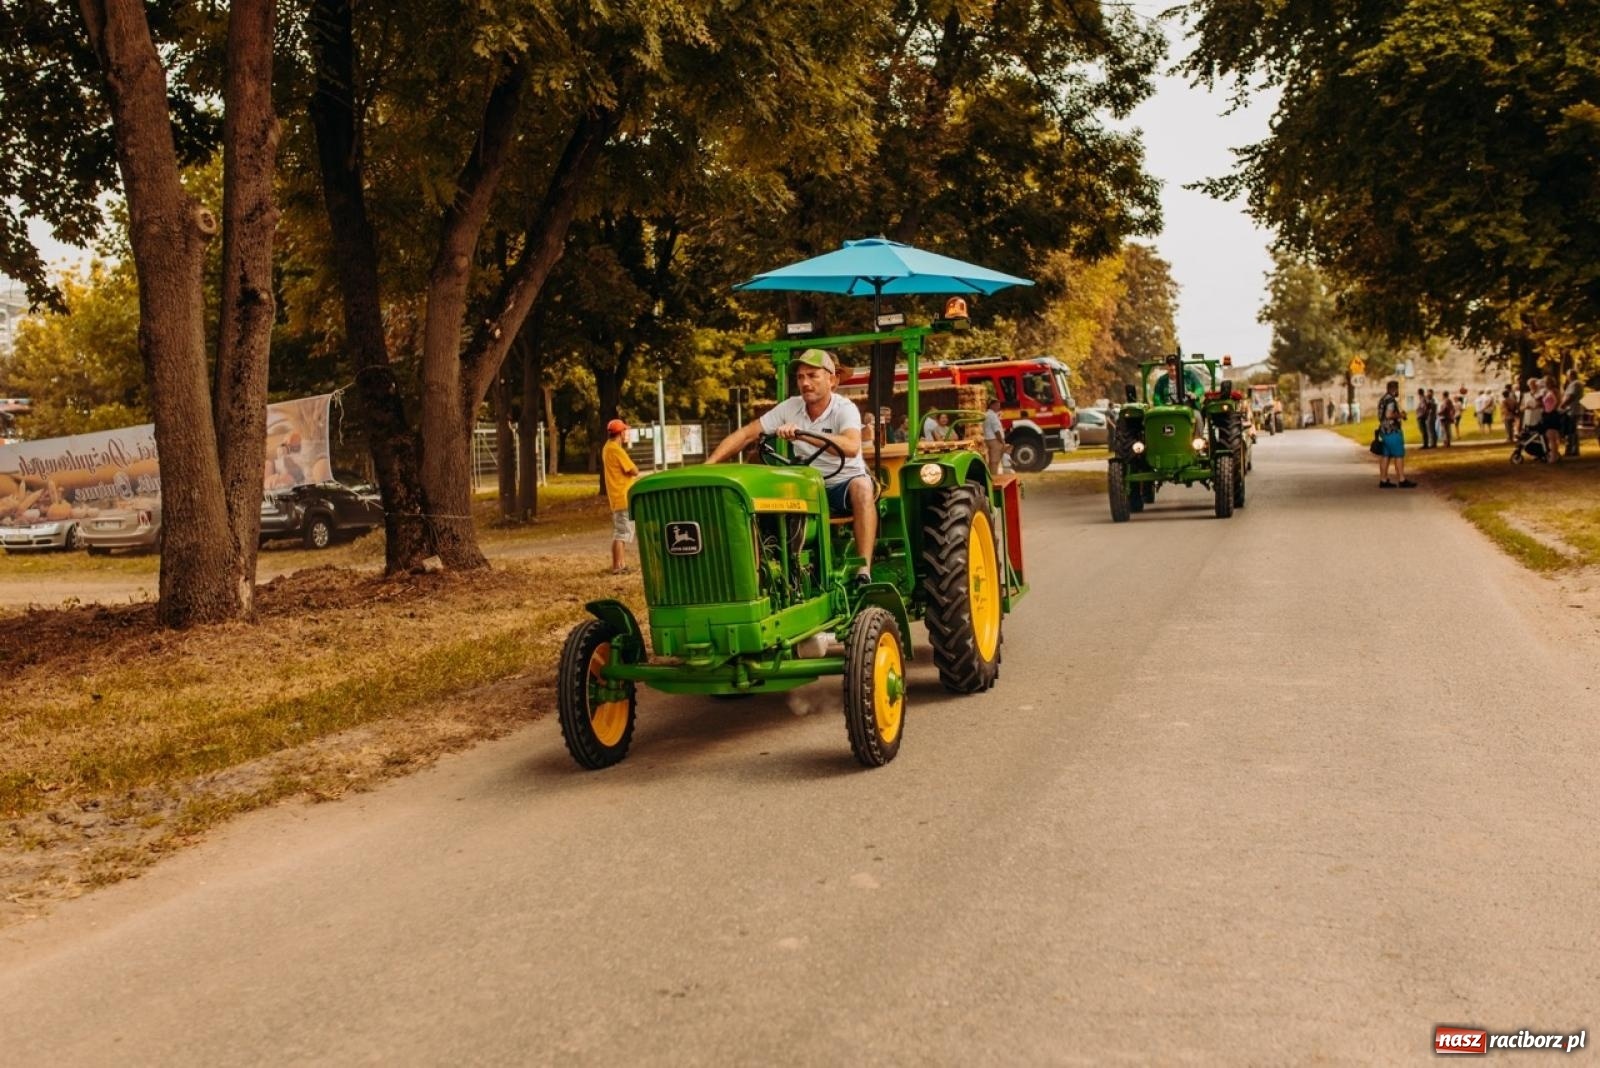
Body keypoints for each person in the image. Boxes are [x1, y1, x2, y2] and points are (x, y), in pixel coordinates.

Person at [707, 348, 877, 583]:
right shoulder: (790, 407)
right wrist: (710, 464)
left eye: (812, 375)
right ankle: (765, 572)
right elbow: (747, 433)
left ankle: (863, 569)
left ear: (831, 379)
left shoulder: (844, 408)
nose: (805, 383)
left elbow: (850, 446)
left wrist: (802, 434)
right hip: (806, 488)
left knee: (863, 487)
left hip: (841, 487)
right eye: (800, 377)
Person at [602, 418, 640, 574]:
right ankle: (618, 567)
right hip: (623, 496)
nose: (626, 433)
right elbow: (634, 470)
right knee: (622, 533)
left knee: (620, 532)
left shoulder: (607, 447)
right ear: (620, 433)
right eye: (625, 431)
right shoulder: (617, 450)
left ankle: (620, 564)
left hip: (616, 497)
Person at [1376, 380, 1415, 488]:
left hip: (1384, 431)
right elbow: (1388, 415)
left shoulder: (1383, 399)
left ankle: (1383, 480)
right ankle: (1402, 479)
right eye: (1398, 389)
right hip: (1392, 431)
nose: (1398, 391)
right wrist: (1400, 415)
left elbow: (1382, 415)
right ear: (1394, 389)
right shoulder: (1391, 401)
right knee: (1399, 455)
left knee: (1385, 456)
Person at [1539, 376, 1562, 462]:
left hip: (1552, 414)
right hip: (1547, 413)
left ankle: (1554, 456)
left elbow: (1558, 401)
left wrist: (1552, 410)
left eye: (1547, 382)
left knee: (1552, 435)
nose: (1545, 384)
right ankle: (1554, 454)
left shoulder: (1555, 391)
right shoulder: (1546, 391)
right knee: (1550, 436)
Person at [1561, 375, 1584, 457]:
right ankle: (1572, 449)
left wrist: (1563, 405)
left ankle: (1572, 449)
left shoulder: (1575, 384)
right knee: (1572, 430)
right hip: (1572, 410)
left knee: (1571, 430)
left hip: (1572, 410)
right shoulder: (1576, 384)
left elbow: (1571, 396)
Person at [981, 396, 1006, 472]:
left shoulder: (986, 414)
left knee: (991, 461)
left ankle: (991, 476)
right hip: (994, 440)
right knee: (995, 461)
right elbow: (996, 430)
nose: (999, 407)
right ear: (992, 405)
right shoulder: (993, 416)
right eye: (997, 405)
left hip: (988, 439)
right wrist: (1001, 441)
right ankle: (994, 477)